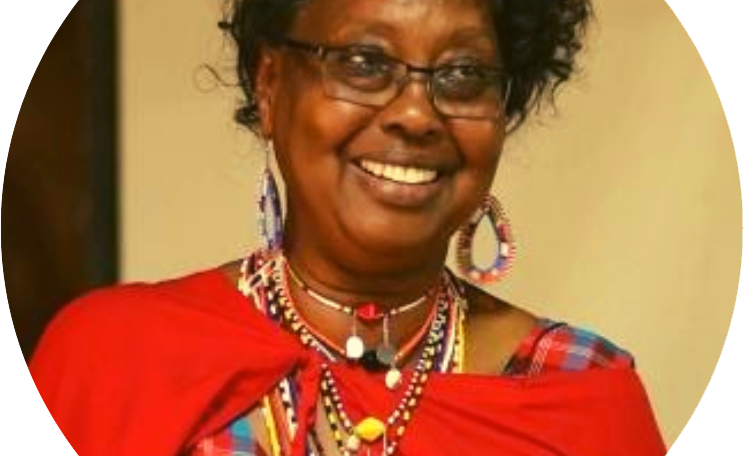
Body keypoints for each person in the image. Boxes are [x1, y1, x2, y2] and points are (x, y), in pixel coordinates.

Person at [30, 0, 667, 455]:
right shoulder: (112, 359)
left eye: (463, 75)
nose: (416, 114)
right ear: (271, 84)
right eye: (364, 62)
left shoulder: (578, 392)